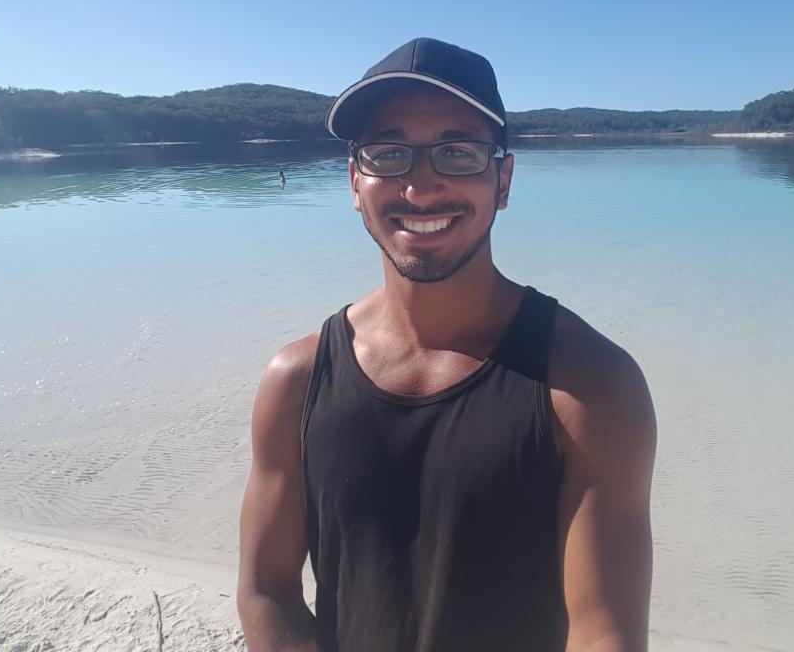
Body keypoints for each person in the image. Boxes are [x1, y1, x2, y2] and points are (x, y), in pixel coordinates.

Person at [237, 38, 656, 652]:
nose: (420, 187)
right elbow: (266, 589)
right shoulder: (296, 382)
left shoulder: (590, 386)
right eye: (389, 154)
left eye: (458, 153)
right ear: (355, 182)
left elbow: (604, 634)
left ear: (503, 181)